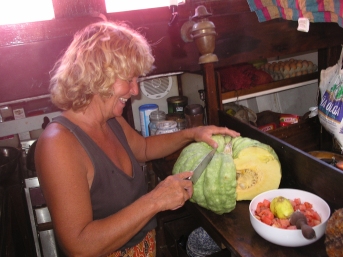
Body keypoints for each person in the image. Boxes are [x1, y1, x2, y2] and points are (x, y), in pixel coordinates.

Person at [35, 21, 240, 257]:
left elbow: (142, 147)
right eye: (129, 79)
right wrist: (155, 200)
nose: (135, 91)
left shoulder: (110, 119)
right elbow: (79, 245)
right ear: (99, 75)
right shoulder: (58, 144)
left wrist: (193, 133)